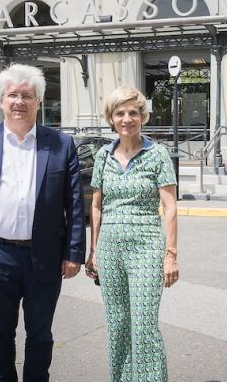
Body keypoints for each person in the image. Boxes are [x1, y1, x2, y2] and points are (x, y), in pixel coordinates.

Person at [0, 64, 85, 382]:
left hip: (45, 257)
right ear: (1, 101)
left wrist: (73, 252)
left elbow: (75, 205)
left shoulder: (61, 144)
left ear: (39, 102)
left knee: (40, 336)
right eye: (13, 95)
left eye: (27, 95)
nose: (19, 102)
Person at [85, 86, 179, 382]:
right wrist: (93, 251)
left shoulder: (157, 154)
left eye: (133, 113)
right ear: (111, 118)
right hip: (109, 249)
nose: (127, 119)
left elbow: (170, 207)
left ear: (142, 117)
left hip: (146, 248)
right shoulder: (103, 155)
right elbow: (96, 207)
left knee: (143, 324)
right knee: (117, 323)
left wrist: (170, 255)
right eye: (120, 113)